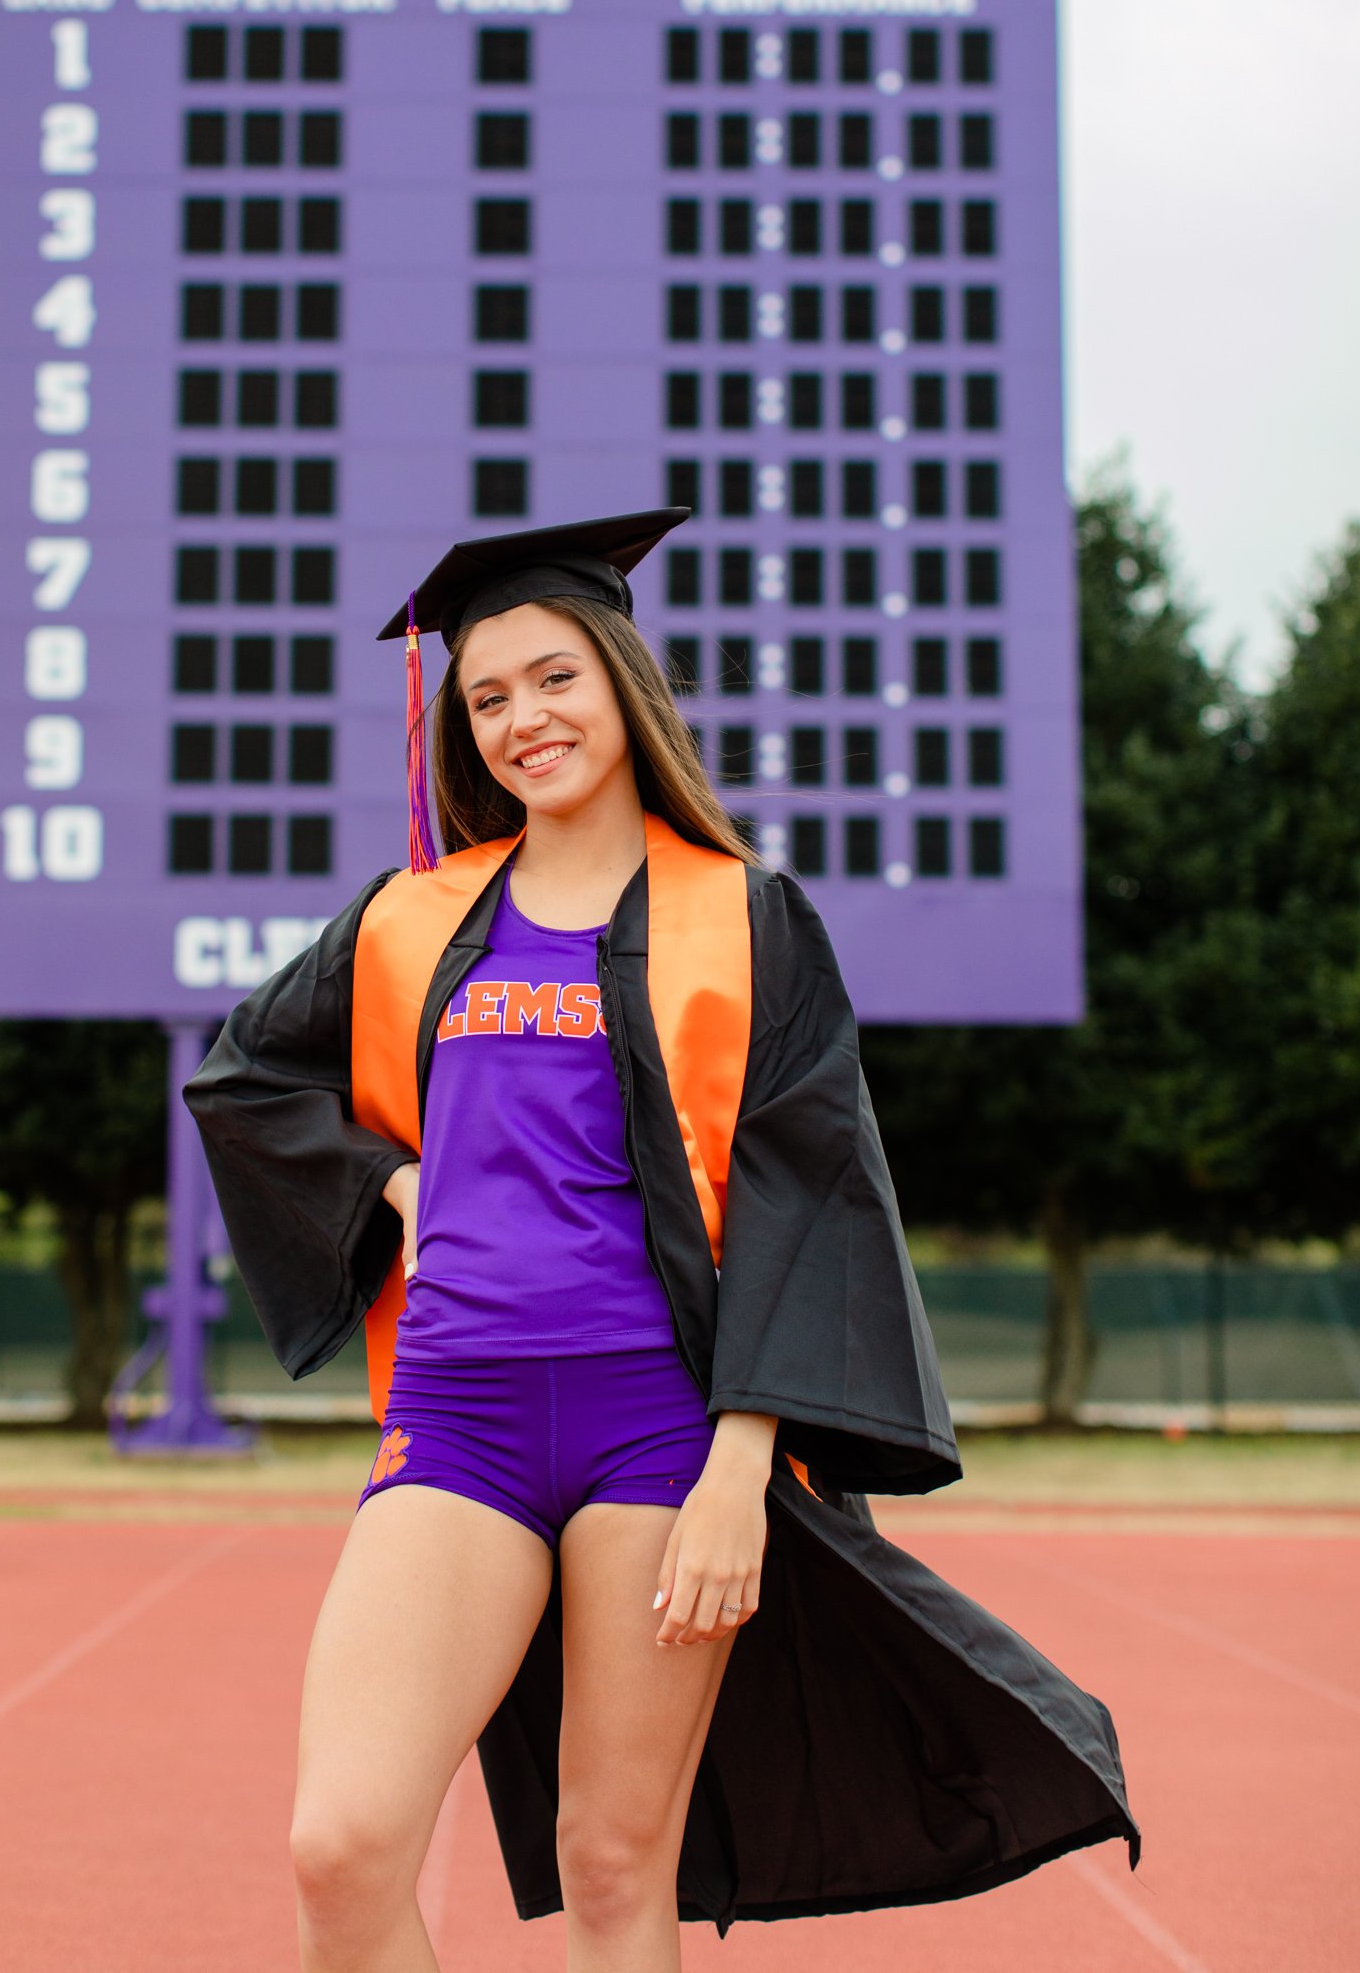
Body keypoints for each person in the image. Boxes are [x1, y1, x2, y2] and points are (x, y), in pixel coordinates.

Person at [186, 509, 1137, 1972]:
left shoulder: (745, 922)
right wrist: (388, 1187)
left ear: (623, 684)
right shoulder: (407, 921)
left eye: (552, 678)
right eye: (488, 696)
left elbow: (804, 1196)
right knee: (340, 1847)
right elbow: (249, 1077)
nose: (521, 720)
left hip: (658, 1430)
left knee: (617, 1863)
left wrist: (738, 1476)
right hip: (457, 1418)